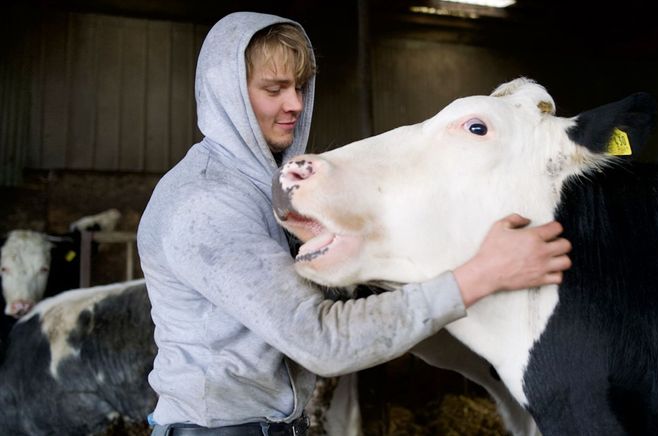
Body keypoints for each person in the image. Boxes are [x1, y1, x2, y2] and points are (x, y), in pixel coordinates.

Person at [138, 11, 572, 436]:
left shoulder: (258, 188)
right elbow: (320, 340)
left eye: (300, 87)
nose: (295, 104)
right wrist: (481, 275)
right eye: (274, 89)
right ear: (226, 94)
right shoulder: (205, 202)